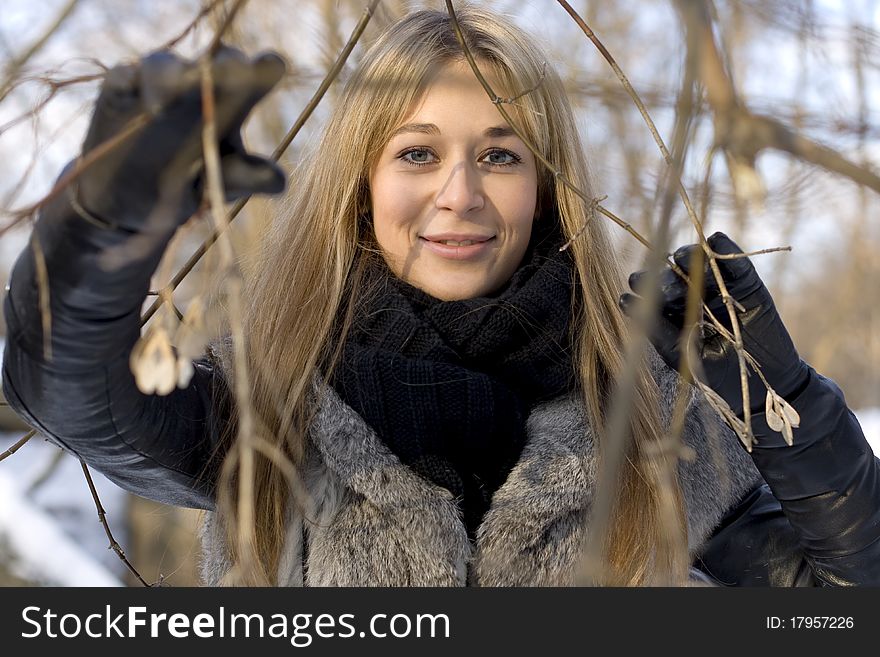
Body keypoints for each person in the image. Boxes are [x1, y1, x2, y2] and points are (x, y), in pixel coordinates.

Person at [3, 7, 879, 587]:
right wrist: (101, 224)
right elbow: (69, 389)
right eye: (417, 154)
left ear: (543, 184)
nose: (459, 194)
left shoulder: (653, 417)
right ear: (362, 184)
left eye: (499, 155)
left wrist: (790, 408)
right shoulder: (273, 399)